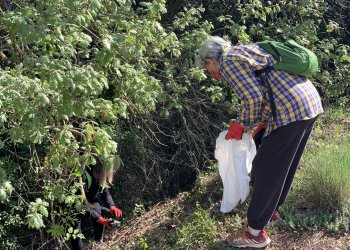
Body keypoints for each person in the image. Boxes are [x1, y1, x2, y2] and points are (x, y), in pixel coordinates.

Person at [197, 36, 323, 248]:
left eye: (207, 68)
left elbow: (253, 97)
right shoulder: (243, 52)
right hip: (307, 102)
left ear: (210, 60)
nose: (211, 74)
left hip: (290, 110)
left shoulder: (228, 62)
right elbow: (267, 87)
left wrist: (241, 125)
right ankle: (271, 208)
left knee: (266, 168)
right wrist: (261, 122)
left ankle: (255, 234)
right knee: (284, 163)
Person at [71, 156, 123, 250]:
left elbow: (104, 192)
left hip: (89, 201)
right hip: (74, 205)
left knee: (97, 207)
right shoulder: (82, 175)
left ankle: (99, 242)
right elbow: (83, 204)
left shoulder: (100, 175)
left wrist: (112, 206)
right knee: (76, 234)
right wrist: (101, 220)